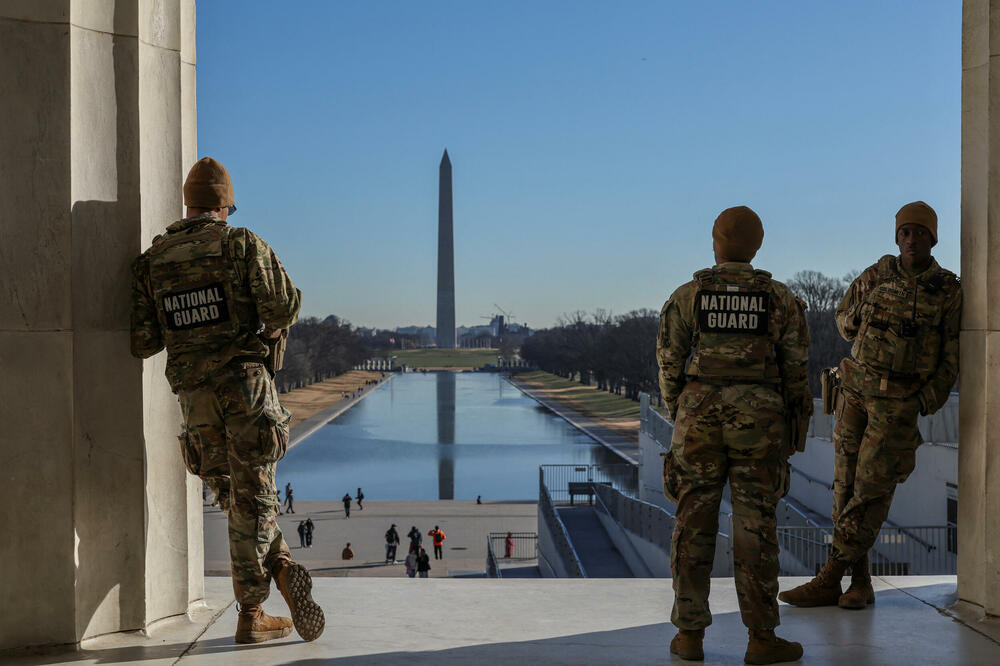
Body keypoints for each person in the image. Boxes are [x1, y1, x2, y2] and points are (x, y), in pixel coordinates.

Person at [130, 157, 323, 644]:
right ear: (225, 206)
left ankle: (278, 565)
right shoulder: (240, 244)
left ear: (188, 202)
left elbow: (144, 340)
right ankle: (252, 612)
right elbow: (284, 306)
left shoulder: (152, 261)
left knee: (235, 495)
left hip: (194, 396)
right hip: (245, 388)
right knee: (255, 497)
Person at [779, 202, 962, 611]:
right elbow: (842, 321)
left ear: (933, 238)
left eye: (919, 233)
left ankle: (829, 578)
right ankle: (858, 583)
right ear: (897, 237)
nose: (911, 240)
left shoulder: (947, 289)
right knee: (844, 491)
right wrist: (859, 316)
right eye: (904, 233)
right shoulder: (876, 275)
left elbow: (952, 355)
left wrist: (924, 401)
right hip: (854, 392)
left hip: (897, 403)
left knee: (871, 492)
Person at [658, 206, 809, 664]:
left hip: (698, 416)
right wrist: (788, 423)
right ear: (757, 245)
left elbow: (669, 365)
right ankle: (761, 638)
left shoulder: (688, 295)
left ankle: (689, 636)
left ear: (714, 241)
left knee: (692, 526)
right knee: (755, 529)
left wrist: (682, 412)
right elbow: (797, 372)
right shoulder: (780, 299)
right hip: (759, 422)